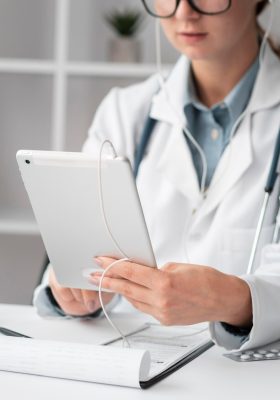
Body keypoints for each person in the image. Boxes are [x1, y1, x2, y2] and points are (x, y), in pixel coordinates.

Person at [34, 0, 280, 351]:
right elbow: (77, 257)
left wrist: (235, 300)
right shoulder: (125, 112)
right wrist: (70, 293)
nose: (184, 13)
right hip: (136, 367)